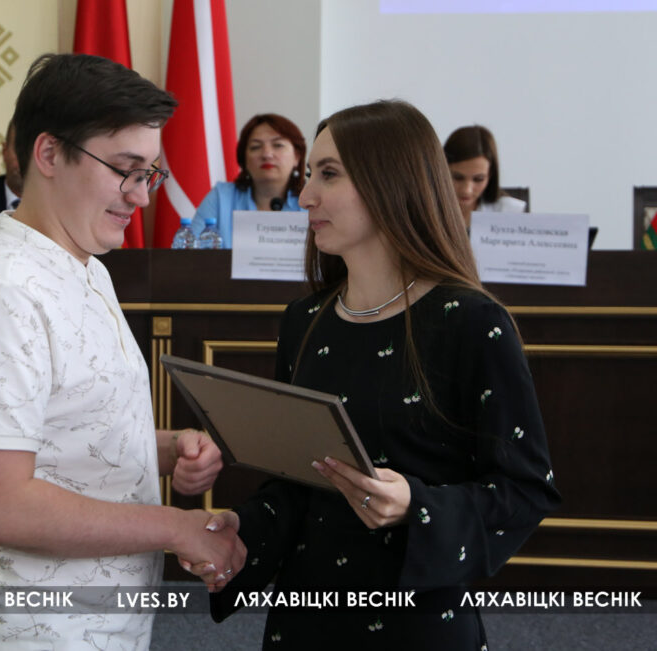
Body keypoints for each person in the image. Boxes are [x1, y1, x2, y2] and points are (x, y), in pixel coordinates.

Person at [197, 100, 560, 649]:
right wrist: (243, 529)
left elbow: (524, 490)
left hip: (415, 624)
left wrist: (417, 504)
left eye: (328, 174)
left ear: (391, 184)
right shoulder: (304, 320)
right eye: (309, 174)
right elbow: (299, 483)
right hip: (306, 619)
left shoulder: (471, 323)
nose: (305, 196)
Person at [0, 53, 246, 650]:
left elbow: (61, 433)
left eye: (149, 174)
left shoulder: (85, 266)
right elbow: (2, 506)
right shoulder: (5, 292)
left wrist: (165, 449)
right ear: (49, 154)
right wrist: (175, 527)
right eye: (125, 170)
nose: (141, 197)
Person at [190, 113, 306, 247]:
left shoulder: (312, 200)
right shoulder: (221, 198)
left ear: (297, 156)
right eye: (255, 147)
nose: (267, 154)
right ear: (244, 160)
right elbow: (191, 253)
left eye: (277, 145)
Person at [443, 124, 526, 227]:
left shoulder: (510, 213)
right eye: (458, 177)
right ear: (442, 171)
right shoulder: (426, 209)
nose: (466, 190)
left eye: (478, 179)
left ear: (490, 175)